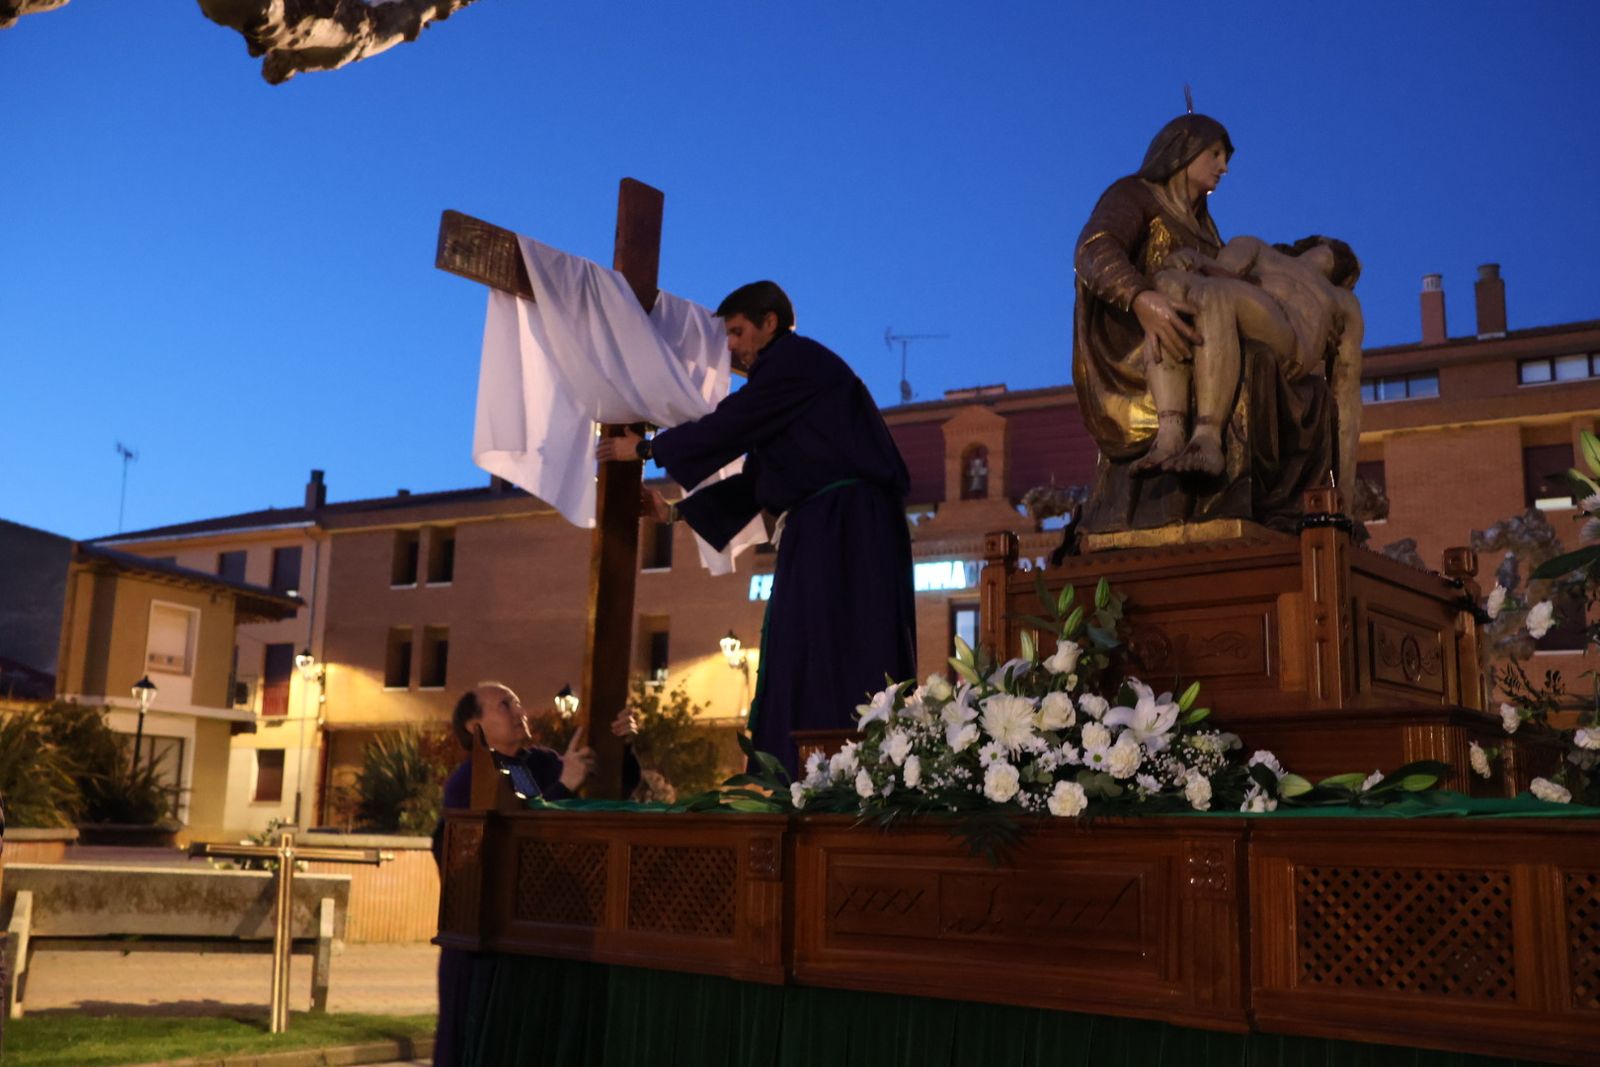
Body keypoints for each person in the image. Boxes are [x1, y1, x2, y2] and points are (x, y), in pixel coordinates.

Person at [596, 281, 916, 774]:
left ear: (771, 323)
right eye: (727, 335)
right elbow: (760, 479)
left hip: (847, 532)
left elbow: (732, 423)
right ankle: (801, 769)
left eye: (738, 331)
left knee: (837, 647)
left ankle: (848, 769)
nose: (732, 346)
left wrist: (645, 449)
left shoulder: (795, 362)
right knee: (803, 648)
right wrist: (675, 512)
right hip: (826, 528)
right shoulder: (790, 394)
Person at [1073, 113, 1334, 534]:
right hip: (1143, 340)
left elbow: (1233, 278)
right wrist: (1141, 299)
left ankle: (1256, 494)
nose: (1224, 167)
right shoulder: (1133, 195)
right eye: (1215, 154)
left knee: (1286, 376)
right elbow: (1094, 249)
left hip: (1200, 336)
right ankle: (1193, 452)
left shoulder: (1207, 228)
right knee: (1229, 339)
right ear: (1182, 151)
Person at [430, 681, 636, 1067]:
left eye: (519, 702)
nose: (520, 711)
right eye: (505, 705)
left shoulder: (539, 762)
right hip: (485, 951)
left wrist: (621, 746)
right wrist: (564, 787)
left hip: (541, 941)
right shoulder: (467, 783)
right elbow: (508, 846)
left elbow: (603, 789)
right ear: (475, 727)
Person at [1140, 234, 1364, 489]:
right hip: (1247, 307)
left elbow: (1347, 390)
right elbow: (1221, 271)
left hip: (1289, 339)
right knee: (1168, 284)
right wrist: (1187, 261)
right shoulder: (1256, 248)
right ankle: (1170, 433)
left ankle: (1207, 438)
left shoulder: (1342, 298)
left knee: (1214, 294)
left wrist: (1344, 497)